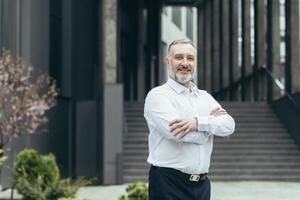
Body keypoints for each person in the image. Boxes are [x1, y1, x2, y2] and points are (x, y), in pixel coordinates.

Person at [144, 38, 235, 200]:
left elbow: (228, 125)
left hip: (201, 186)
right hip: (168, 184)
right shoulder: (158, 96)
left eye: (190, 58)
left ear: (195, 63)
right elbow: (176, 133)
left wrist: (198, 123)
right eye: (179, 57)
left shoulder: (205, 97)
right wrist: (209, 130)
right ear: (168, 61)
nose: (185, 63)